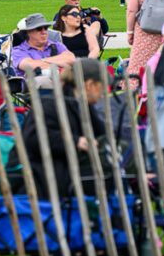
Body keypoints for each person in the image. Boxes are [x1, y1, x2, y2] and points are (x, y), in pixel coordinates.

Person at [8, 59, 107, 199]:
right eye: (102, 86)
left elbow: (103, 134)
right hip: (37, 175)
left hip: (61, 170)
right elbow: (34, 137)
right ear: (89, 85)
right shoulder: (49, 104)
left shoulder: (84, 107)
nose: (104, 91)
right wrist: (76, 141)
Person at [11, 13, 74, 81]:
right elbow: (30, 66)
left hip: (62, 84)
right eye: (39, 29)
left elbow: (71, 59)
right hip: (35, 88)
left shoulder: (57, 45)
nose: (44, 32)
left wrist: (43, 61)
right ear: (29, 32)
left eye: (46, 28)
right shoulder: (19, 50)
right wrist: (61, 66)